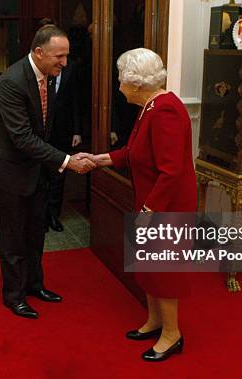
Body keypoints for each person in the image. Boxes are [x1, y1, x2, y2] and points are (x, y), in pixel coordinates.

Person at [88, 48, 197, 362]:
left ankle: (172, 334)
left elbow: (171, 170)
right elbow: (135, 152)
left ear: (135, 84)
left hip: (168, 206)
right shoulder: (150, 106)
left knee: (164, 270)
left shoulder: (166, 110)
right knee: (149, 266)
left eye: (121, 80)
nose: (119, 86)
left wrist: (149, 213)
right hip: (153, 202)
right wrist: (101, 160)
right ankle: (154, 322)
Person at [0, 25, 95, 319]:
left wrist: (64, 154)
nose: (65, 63)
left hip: (36, 168)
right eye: (60, 56)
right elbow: (23, 138)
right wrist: (67, 161)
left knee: (35, 231)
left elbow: (45, 129)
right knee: (13, 235)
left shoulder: (49, 77)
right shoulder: (11, 83)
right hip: (10, 170)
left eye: (67, 56)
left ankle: (34, 285)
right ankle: (13, 295)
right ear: (39, 52)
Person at [46, 55, 82, 232]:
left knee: (59, 173)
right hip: (41, 131)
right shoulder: (40, 67)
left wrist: (77, 130)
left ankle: (53, 214)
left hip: (63, 130)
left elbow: (76, 98)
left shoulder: (71, 67)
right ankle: (39, 214)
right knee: (40, 172)